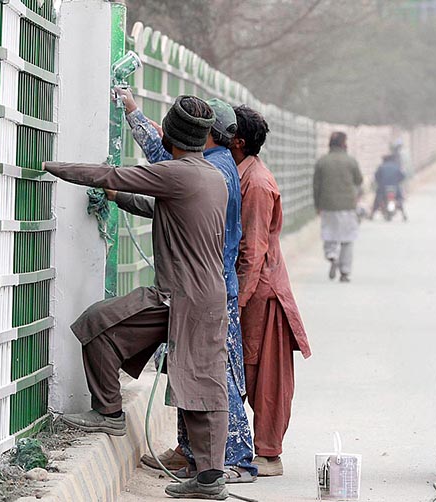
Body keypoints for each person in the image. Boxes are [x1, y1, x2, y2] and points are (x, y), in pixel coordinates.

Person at [45, 95, 231, 500]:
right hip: (207, 298)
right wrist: (118, 198)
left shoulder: (176, 173)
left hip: (178, 296)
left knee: (97, 324)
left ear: (172, 133)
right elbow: (159, 207)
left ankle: (110, 414)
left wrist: (49, 165)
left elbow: (111, 174)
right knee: (203, 381)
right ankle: (210, 477)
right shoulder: (210, 176)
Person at [117, 89, 258, 483]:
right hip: (211, 285)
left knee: (216, 376)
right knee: (191, 371)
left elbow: (164, 162)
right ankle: (192, 454)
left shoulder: (211, 169)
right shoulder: (220, 163)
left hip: (209, 289)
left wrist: (133, 114)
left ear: (207, 136)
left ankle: (235, 460)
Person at [230, 105, 312, 476]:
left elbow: (253, 249)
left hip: (261, 293)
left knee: (266, 376)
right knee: (235, 368)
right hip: (249, 290)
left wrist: (237, 301)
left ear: (238, 141)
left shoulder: (258, 184)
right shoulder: (238, 173)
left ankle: (267, 454)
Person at [313, 132, 364, 282]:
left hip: (327, 205)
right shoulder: (351, 161)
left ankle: (331, 255)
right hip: (348, 205)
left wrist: (317, 205)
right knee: (347, 239)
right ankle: (345, 272)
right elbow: (359, 180)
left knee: (329, 233)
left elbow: (316, 186)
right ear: (344, 144)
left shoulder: (322, 162)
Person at [370, 153, 407, 221]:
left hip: (383, 188)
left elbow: (376, 177)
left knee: (378, 199)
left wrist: (379, 183)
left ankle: (372, 214)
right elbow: (402, 176)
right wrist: (397, 182)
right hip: (395, 188)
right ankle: (403, 214)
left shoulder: (381, 167)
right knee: (399, 198)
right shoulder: (396, 166)